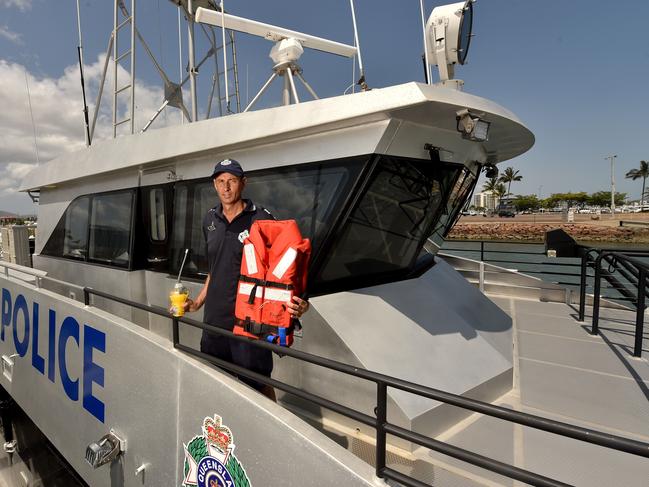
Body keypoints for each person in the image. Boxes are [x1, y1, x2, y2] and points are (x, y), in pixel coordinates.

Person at [184, 159, 308, 400]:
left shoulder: (262, 219)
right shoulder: (210, 220)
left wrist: (300, 303)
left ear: (243, 183)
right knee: (216, 384)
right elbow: (214, 269)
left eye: (231, 180)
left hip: (250, 323)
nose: (226, 187)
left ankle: (266, 435)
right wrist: (197, 303)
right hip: (215, 321)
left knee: (258, 387)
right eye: (221, 181)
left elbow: (283, 271)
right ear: (214, 185)